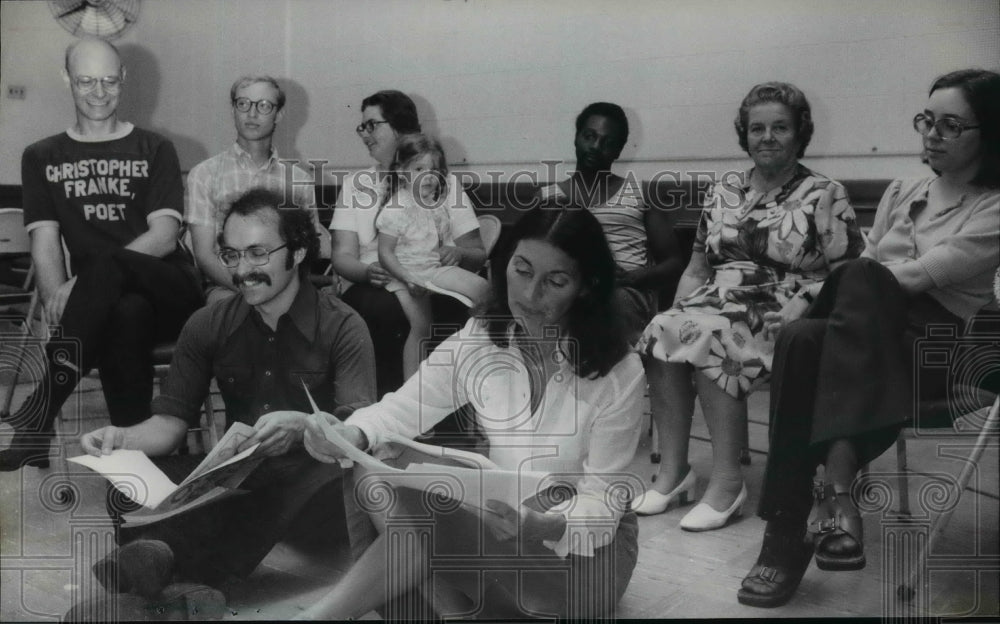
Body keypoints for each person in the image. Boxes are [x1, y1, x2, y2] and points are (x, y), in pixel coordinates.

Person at [298, 207, 644, 620]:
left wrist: (545, 525)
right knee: (376, 462)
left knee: (424, 531)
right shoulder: (482, 338)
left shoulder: (619, 372)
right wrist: (349, 435)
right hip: (502, 522)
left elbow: (603, 502)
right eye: (521, 270)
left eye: (555, 281)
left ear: (586, 288)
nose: (530, 295)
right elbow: (403, 409)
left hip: (584, 547)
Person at [738, 69, 1000, 608]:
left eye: (952, 125)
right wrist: (816, 301)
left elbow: (912, 276)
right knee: (804, 341)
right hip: (862, 341)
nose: (932, 133)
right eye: (928, 120)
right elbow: (865, 265)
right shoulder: (904, 190)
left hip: (932, 350)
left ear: (990, 133)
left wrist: (810, 297)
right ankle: (815, 516)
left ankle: (801, 527)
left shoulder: (995, 207)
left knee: (824, 317)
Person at [76, 188, 377, 605]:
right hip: (241, 478)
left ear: (301, 250)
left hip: (317, 494)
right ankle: (179, 592)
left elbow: (360, 436)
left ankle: (161, 572)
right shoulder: (207, 323)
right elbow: (170, 423)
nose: (242, 271)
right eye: (231, 255)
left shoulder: (344, 326)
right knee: (126, 485)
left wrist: (304, 426)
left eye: (257, 253)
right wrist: (120, 440)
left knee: (315, 477)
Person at [633, 83, 864, 529]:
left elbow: (849, 273)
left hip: (786, 306)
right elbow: (698, 267)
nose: (768, 137)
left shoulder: (825, 193)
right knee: (661, 331)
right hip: (717, 297)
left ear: (800, 132)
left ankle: (726, 482)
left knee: (713, 334)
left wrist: (808, 301)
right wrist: (677, 319)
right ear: (744, 135)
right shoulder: (725, 190)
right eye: (757, 128)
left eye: (780, 127)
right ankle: (673, 474)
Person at [1, 38, 204, 471]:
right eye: (86, 81)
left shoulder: (155, 148)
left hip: (170, 289)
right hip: (107, 306)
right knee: (123, 313)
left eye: (109, 81)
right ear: (66, 80)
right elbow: (45, 242)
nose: (98, 92)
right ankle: (136, 478)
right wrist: (62, 302)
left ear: (123, 79)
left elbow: (165, 236)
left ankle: (37, 414)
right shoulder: (41, 156)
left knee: (108, 267)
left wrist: (79, 286)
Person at [329, 90, 486, 397]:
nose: (364, 134)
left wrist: (457, 253)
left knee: (461, 305)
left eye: (372, 125)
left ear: (400, 127)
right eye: (362, 127)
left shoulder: (444, 184)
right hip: (376, 281)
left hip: (435, 276)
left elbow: (477, 254)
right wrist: (366, 272)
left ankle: (445, 414)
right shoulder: (356, 186)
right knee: (386, 311)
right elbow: (342, 256)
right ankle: (389, 412)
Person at [537, 101, 684, 339]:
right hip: (564, 286)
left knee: (605, 307)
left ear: (618, 150)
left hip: (623, 290)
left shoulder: (641, 193)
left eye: (607, 142)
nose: (595, 146)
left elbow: (674, 263)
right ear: (576, 138)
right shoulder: (548, 197)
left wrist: (632, 277)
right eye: (589, 136)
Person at [185, 74, 331, 304]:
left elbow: (308, 249)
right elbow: (204, 255)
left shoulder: (298, 179)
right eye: (243, 104)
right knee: (230, 314)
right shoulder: (204, 174)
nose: (252, 114)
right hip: (228, 287)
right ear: (233, 110)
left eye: (263, 106)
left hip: (285, 289)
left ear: (278, 114)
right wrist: (250, 289)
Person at [375, 134, 490, 377]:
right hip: (405, 273)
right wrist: (406, 278)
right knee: (421, 328)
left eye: (435, 170)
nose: (429, 176)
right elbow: (385, 253)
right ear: (401, 172)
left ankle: (479, 348)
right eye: (419, 169)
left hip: (432, 269)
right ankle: (410, 391)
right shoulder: (395, 208)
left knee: (484, 290)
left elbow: (441, 246)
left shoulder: (435, 203)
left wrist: (454, 252)